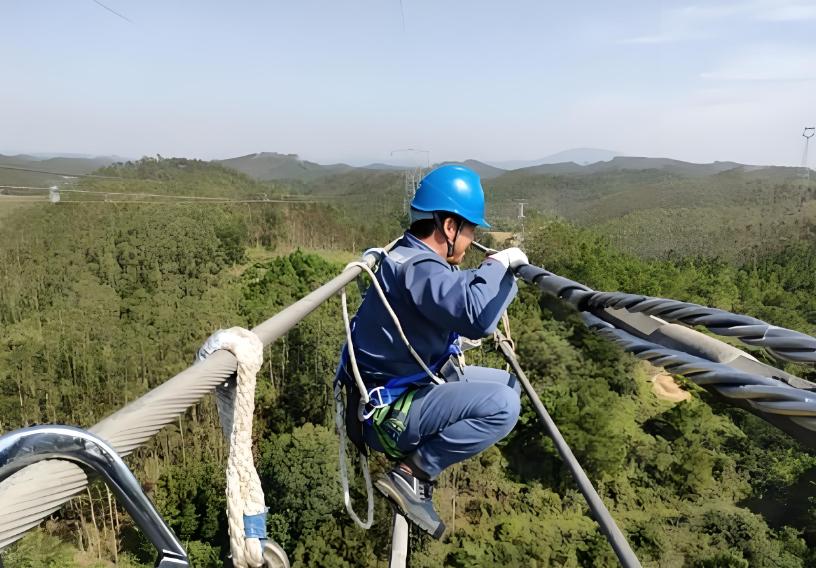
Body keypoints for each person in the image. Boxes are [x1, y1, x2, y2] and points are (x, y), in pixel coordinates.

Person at [335, 164, 528, 539]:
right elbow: (477, 317)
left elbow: (458, 294)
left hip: (399, 390)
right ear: (449, 227)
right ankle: (413, 473)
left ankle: (419, 461)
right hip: (392, 411)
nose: (472, 241)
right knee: (504, 407)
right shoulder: (421, 269)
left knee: (508, 383)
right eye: (470, 230)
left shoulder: (405, 256)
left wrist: (495, 276)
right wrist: (498, 265)